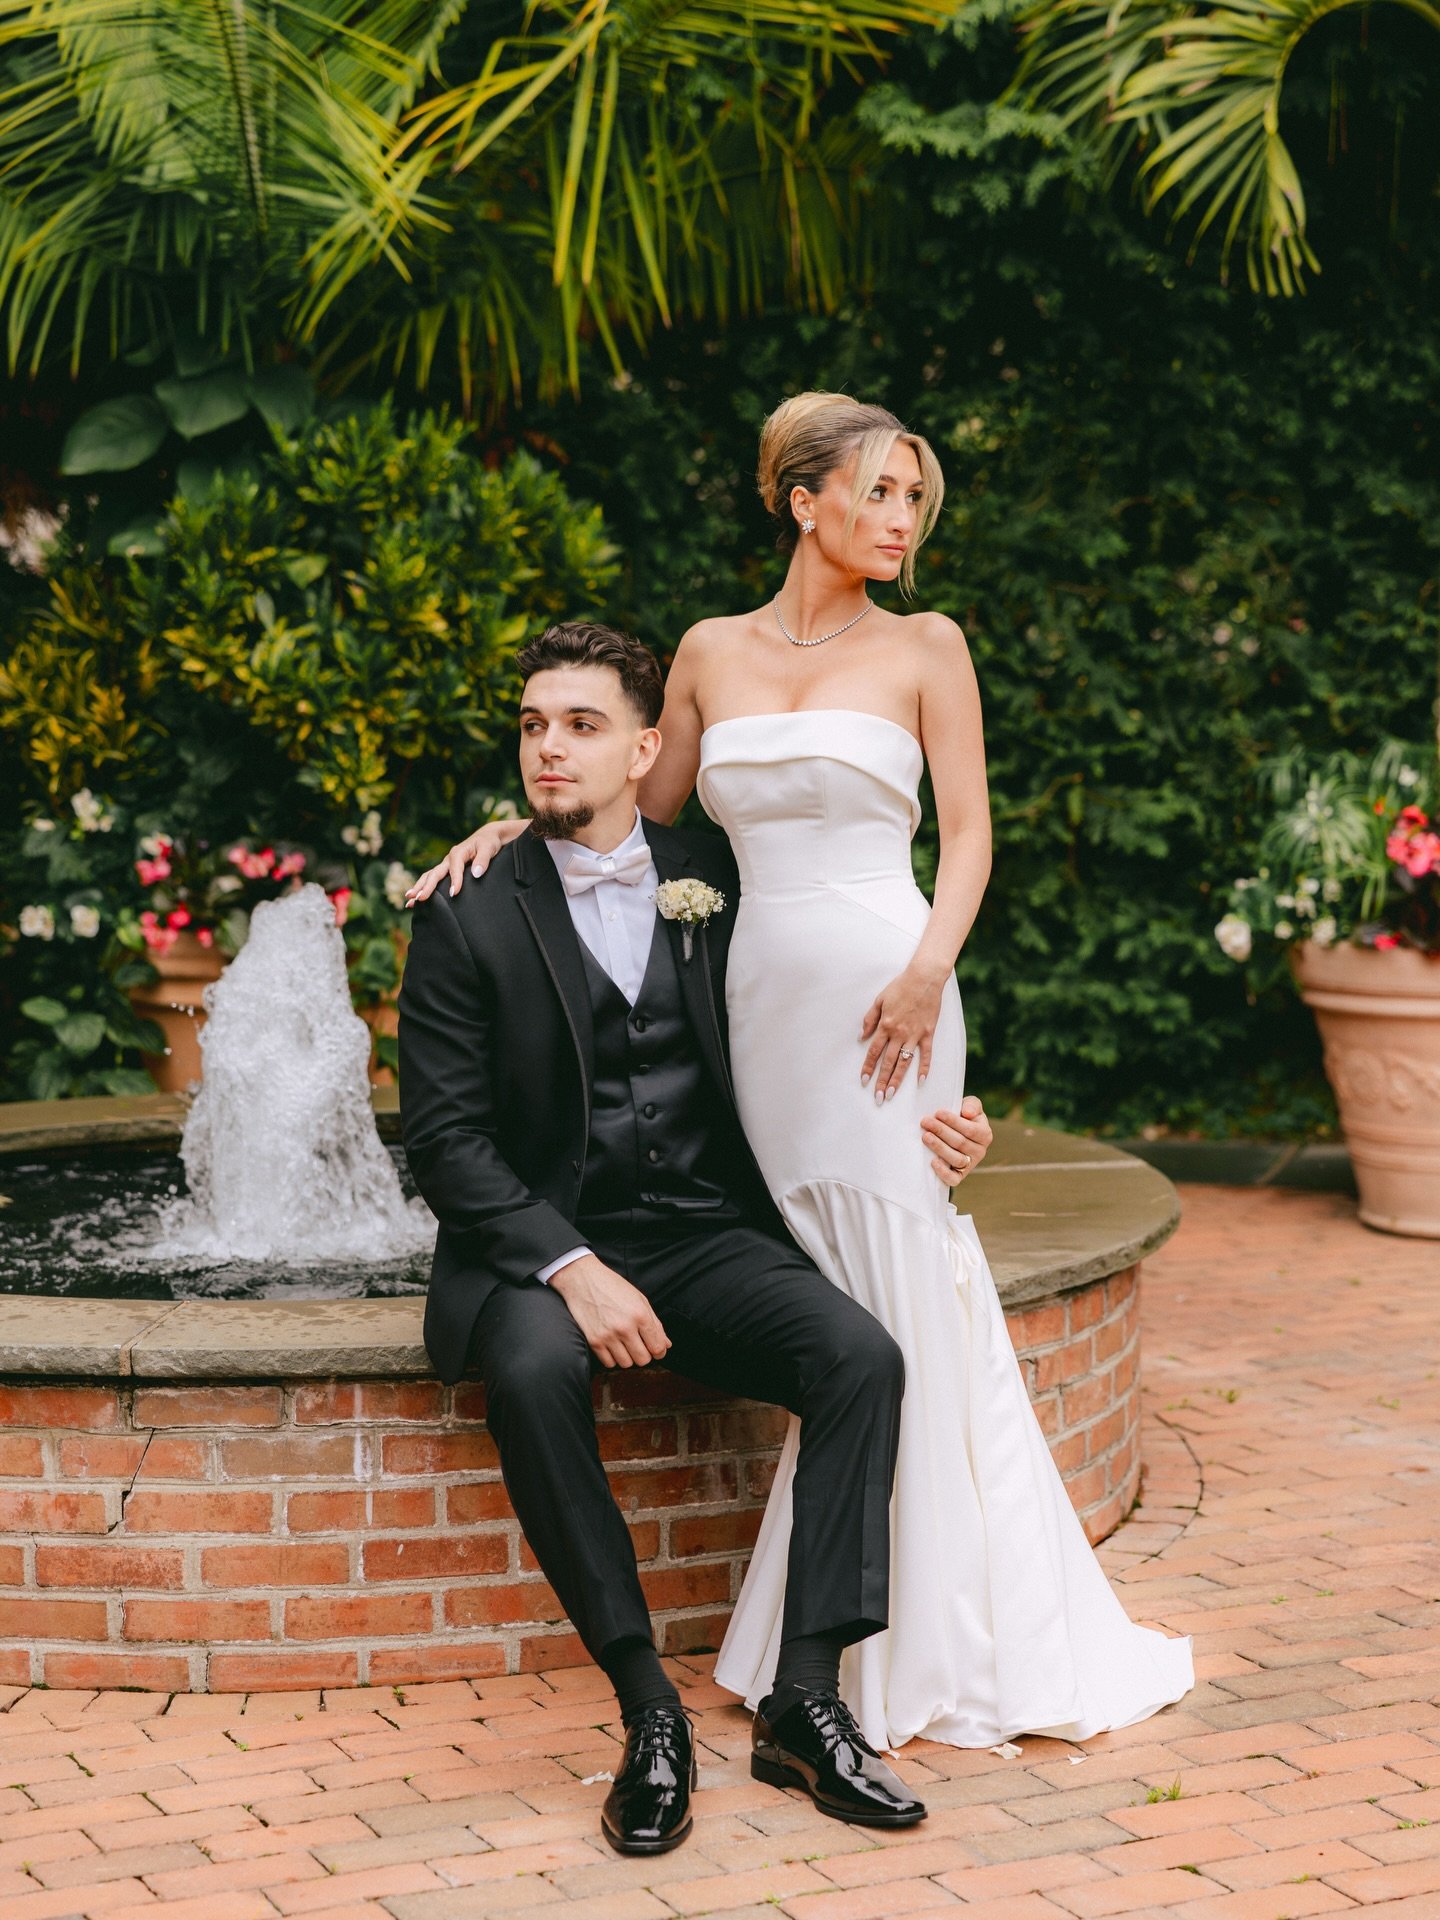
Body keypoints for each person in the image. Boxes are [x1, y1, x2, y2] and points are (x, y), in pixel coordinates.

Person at [407, 391, 1195, 1751]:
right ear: (802, 499)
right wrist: (506, 825)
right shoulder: (709, 652)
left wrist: (931, 974)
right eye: (880, 491)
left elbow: (970, 835)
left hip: (894, 993)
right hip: (759, 1001)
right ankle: (765, 1671)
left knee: (900, 1284)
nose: (901, 520)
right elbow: (632, 816)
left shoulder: (929, 645)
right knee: (829, 1279)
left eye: (914, 499)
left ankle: (913, 1640)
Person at [397, 618, 994, 1856]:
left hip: (699, 1227)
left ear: (645, 750)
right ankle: (648, 1712)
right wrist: (572, 1268)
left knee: (861, 1358)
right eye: (533, 726)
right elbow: (446, 1143)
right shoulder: (468, 908)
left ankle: (804, 1702)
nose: (549, 749)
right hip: (543, 1246)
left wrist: (943, 1121)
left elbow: (831, 1008)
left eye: (582, 726)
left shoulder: (720, 878)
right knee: (532, 1371)